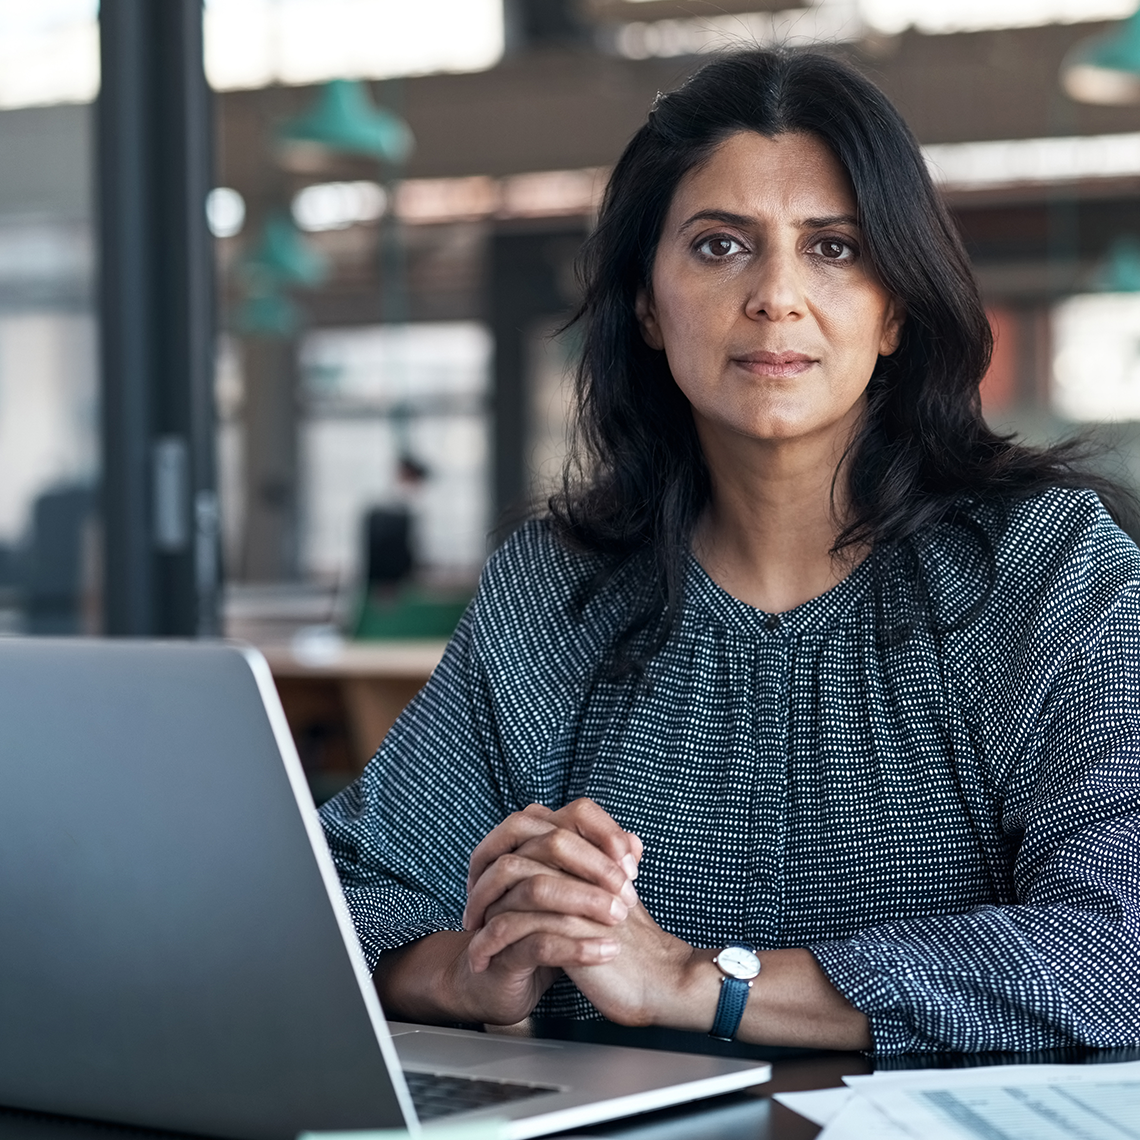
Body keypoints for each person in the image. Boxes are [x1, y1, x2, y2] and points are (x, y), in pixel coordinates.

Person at [320, 48, 1140, 1054]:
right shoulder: (556, 590)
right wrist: (468, 969)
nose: (776, 296)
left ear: (895, 308)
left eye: (834, 248)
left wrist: (697, 981)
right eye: (719, 246)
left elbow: (1119, 948)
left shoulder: (1045, 571)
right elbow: (333, 895)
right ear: (646, 305)